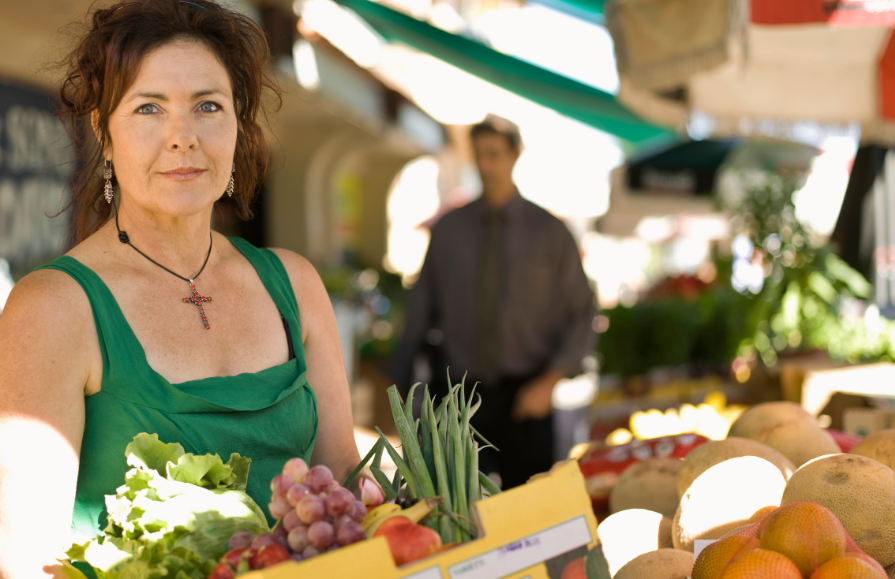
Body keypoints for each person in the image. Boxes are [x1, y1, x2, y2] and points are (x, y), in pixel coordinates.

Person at [0, 2, 360, 576]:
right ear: (105, 135)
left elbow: (343, 487)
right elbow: (25, 563)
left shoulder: (294, 284)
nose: (182, 137)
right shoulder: (55, 308)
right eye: (148, 108)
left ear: (239, 124)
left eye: (208, 106)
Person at [394, 115, 595, 489]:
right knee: (456, 515)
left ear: (515, 155)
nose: (485, 164)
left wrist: (550, 381)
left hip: (526, 398)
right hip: (456, 399)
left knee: (529, 519)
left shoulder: (549, 232)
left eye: (494, 154)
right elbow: (420, 310)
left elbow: (583, 313)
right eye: (479, 154)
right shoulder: (449, 230)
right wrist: (404, 389)